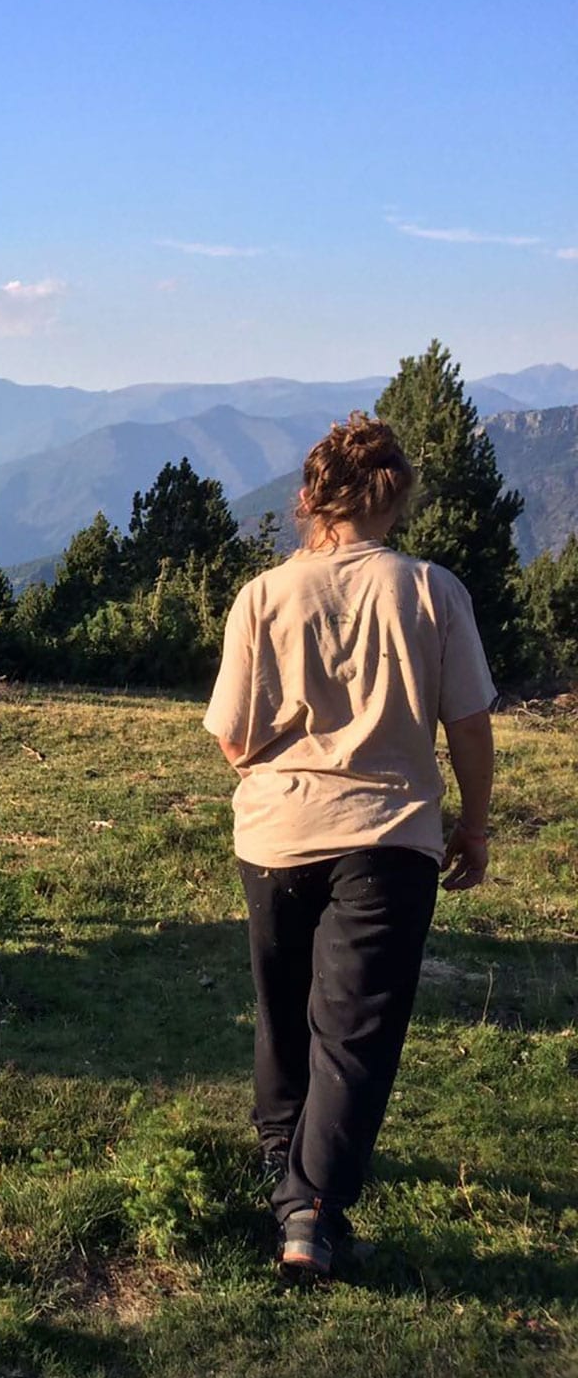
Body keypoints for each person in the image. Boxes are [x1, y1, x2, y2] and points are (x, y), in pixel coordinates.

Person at [204, 412, 496, 1281]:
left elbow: (230, 739)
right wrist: (473, 825)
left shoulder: (264, 595)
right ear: (394, 496)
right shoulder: (431, 590)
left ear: (310, 500)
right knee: (354, 1034)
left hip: (275, 836)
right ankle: (311, 1212)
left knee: (285, 1009)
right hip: (391, 839)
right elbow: (470, 723)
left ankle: (281, 1165)